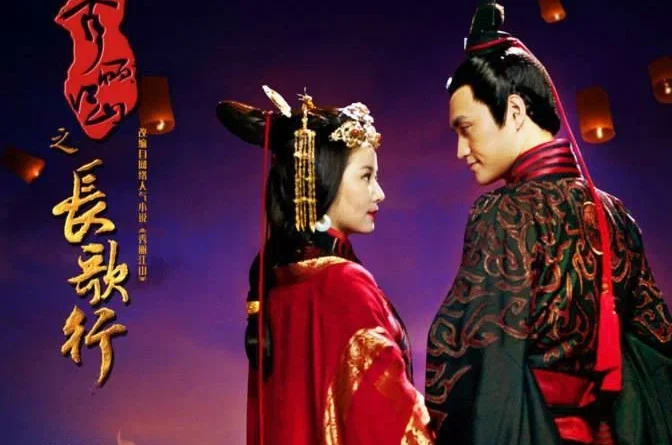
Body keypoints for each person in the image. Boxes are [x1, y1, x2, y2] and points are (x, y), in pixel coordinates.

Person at [425, 2, 672, 445]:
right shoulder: (613, 212)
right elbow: (656, 349)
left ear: (515, 110)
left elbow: (477, 366)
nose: (461, 150)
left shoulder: (503, 212)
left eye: (466, 128)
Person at [216, 86, 433, 445]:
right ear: (322, 178)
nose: (379, 193)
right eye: (366, 176)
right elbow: (386, 421)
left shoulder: (280, 280)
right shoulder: (344, 283)